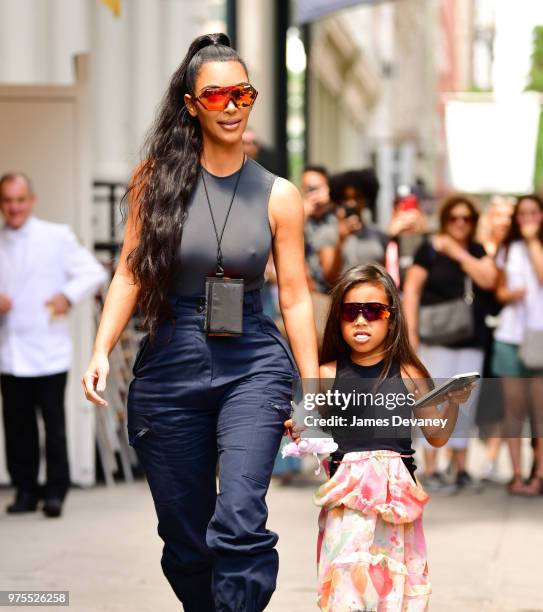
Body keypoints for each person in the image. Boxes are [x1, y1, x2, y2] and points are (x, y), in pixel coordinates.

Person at [82, 33, 319, 612]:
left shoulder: (279, 195)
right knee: (184, 540)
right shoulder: (154, 182)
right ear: (192, 105)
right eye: (218, 96)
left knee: (239, 519)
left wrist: (311, 390)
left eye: (243, 93)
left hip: (253, 363)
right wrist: (99, 349)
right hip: (171, 361)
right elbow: (130, 274)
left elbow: (295, 295)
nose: (233, 105)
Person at [297, 264, 473, 610]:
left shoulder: (409, 373)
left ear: (391, 318)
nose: (361, 321)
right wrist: (298, 424)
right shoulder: (326, 373)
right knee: (345, 588)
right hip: (347, 502)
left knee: (395, 586)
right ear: (339, 319)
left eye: (373, 311)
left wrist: (452, 404)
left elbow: (436, 436)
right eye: (351, 312)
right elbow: (309, 425)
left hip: (398, 504)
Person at [0, 172, 106, 517]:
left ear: (31, 201)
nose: (14, 207)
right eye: (7, 201)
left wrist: (67, 296)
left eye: (19, 200)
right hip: (10, 349)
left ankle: (56, 491)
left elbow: (94, 272)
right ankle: (25, 490)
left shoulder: (55, 236)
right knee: (17, 427)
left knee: (53, 425)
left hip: (47, 349)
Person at [403, 195, 497, 493]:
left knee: (466, 402)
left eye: (466, 218)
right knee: (431, 400)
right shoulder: (428, 249)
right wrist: (411, 334)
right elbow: (412, 292)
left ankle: (461, 466)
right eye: (454, 218)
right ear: (445, 219)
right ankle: (431, 467)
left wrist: (457, 252)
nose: (460, 223)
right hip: (435, 338)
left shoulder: (475, 250)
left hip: (470, 340)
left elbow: (488, 280)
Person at [492, 194, 543, 495]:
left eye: (533, 213)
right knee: (513, 411)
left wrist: (534, 241)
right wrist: (509, 295)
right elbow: (498, 290)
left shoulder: (536, 245)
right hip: (510, 336)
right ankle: (516, 475)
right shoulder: (507, 248)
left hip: (539, 336)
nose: (527, 218)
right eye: (522, 214)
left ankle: (539, 476)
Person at [475, 195, 514, 482]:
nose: (503, 221)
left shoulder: (518, 250)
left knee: (502, 398)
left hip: (509, 331)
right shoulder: (479, 250)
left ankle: (491, 458)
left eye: (508, 215)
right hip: (478, 331)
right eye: (498, 214)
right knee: (481, 398)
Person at [320, 169, 388, 286]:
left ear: (367, 199)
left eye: (357, 197)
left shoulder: (379, 235)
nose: (352, 203)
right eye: (346, 199)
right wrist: (340, 241)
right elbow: (329, 277)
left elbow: (387, 275)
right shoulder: (328, 234)